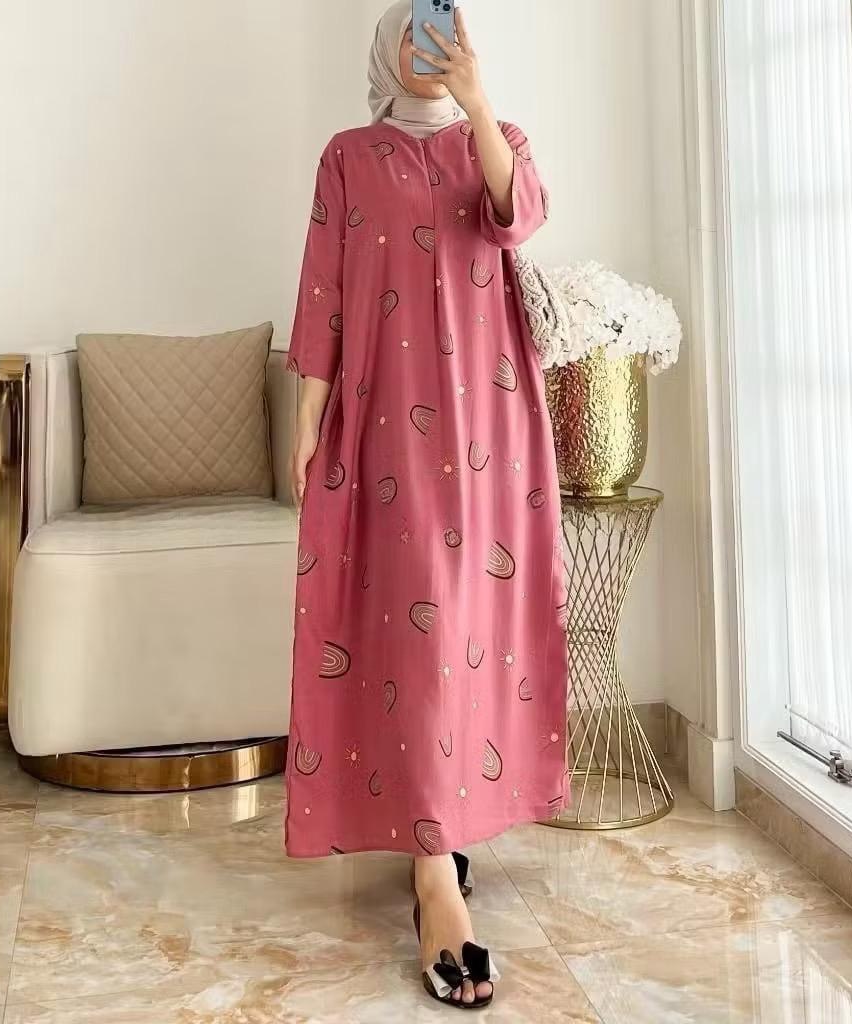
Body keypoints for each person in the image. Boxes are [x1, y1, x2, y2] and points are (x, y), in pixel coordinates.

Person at [283, 0, 569, 1008]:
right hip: (380, 425)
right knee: (414, 631)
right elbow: (323, 289)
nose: (427, 43)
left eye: (442, 23)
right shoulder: (347, 157)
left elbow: (516, 215)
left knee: (469, 629)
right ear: (384, 47)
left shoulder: (501, 139)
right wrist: (306, 417)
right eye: (411, 26)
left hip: (488, 424)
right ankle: (435, 870)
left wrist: (479, 104)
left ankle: (440, 837)